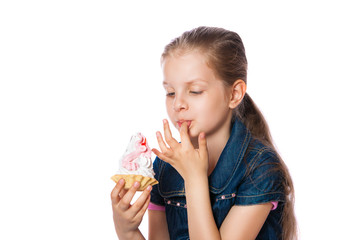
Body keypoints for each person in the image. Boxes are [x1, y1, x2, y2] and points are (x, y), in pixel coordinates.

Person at [111, 26, 297, 240]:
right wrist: (127, 231)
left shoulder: (259, 167)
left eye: (195, 91)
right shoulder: (164, 166)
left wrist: (194, 178)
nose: (178, 103)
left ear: (234, 94)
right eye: (170, 92)